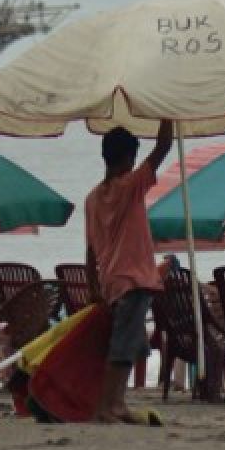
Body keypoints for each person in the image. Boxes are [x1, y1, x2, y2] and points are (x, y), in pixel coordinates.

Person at [85, 118, 174, 423]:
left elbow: (90, 249)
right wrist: (167, 112)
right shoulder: (129, 187)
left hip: (111, 279)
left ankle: (116, 403)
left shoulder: (92, 198)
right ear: (127, 159)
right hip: (132, 279)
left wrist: (93, 286)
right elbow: (163, 147)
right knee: (123, 346)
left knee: (131, 342)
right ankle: (108, 406)